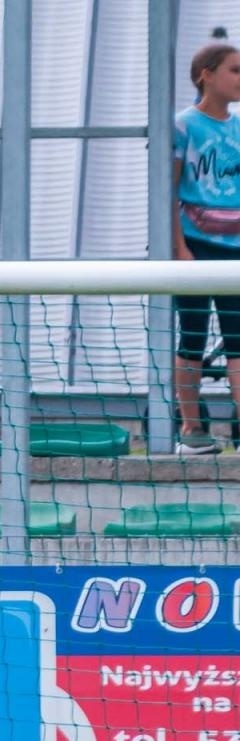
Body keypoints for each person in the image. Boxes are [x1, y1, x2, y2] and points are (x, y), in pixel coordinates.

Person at [172, 34, 240, 455]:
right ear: (206, 76)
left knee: (238, 339)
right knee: (192, 336)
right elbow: (168, 188)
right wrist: (179, 249)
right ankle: (191, 429)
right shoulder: (183, 125)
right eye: (234, 70)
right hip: (195, 245)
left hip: (234, 247)